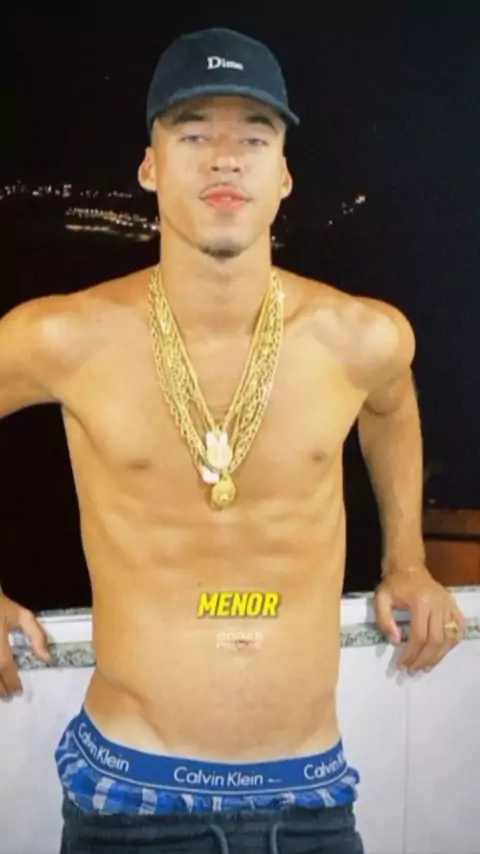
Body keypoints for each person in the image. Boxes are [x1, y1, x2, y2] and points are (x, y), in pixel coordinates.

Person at [0, 27, 467, 854]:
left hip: (314, 798)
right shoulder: (65, 337)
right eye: (193, 135)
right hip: (130, 799)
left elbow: (391, 409)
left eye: (254, 137)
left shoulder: (360, 336)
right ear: (150, 166)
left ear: (283, 174)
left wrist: (406, 559)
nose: (225, 159)